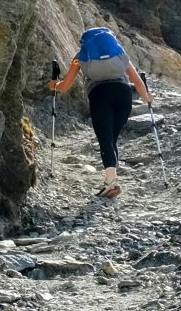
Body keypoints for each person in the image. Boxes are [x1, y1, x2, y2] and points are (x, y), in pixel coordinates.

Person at [49, 27, 152, 198]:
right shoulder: (118, 52)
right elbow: (137, 80)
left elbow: (65, 86)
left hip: (100, 94)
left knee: (105, 140)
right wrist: (147, 97)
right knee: (111, 139)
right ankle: (112, 180)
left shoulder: (81, 57)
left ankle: (111, 183)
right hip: (124, 96)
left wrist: (54, 85)